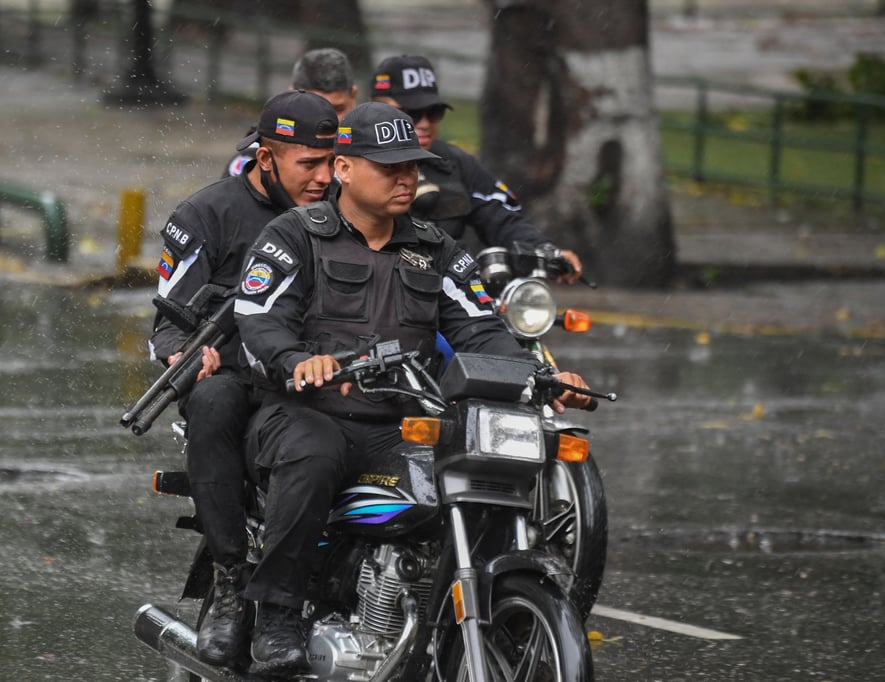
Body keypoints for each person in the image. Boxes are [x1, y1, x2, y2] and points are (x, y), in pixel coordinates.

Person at [232, 102, 594, 676]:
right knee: (312, 458)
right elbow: (257, 314)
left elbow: (480, 329)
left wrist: (543, 378)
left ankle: (436, 611)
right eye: (390, 167)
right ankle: (277, 615)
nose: (408, 178)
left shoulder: (438, 249)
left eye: (412, 167)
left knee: (462, 483)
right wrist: (297, 359)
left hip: (400, 422)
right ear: (345, 169)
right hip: (308, 411)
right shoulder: (294, 235)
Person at [148, 89, 338, 667]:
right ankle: (232, 581)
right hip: (235, 377)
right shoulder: (203, 215)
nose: (324, 178)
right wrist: (183, 352)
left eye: (332, 163)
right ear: (266, 158)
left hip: (318, 374)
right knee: (211, 400)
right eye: (309, 165)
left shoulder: (341, 215)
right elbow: (166, 321)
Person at [369, 54, 584, 283]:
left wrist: (544, 249)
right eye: (411, 113)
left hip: (449, 290)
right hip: (378, 287)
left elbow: (501, 215)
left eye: (434, 113)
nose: (424, 123)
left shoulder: (455, 162)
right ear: (375, 109)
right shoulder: (354, 162)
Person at [225, 48, 358, 177]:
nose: (329, 122)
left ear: (353, 95)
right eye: (313, 110)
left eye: (338, 109)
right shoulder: (255, 161)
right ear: (292, 93)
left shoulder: (370, 149)